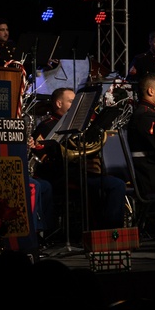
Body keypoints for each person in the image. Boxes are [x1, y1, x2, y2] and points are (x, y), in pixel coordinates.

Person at [30, 87, 129, 231]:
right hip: (61, 176)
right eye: (71, 102)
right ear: (58, 104)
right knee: (110, 185)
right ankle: (105, 231)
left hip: (81, 173)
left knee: (117, 184)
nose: (75, 106)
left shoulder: (79, 126)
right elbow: (44, 160)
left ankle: (110, 232)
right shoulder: (47, 126)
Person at [126, 72, 155, 197]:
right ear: (151, 91)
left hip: (152, 174)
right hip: (152, 177)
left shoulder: (146, 113)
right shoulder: (146, 116)